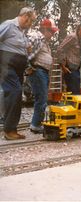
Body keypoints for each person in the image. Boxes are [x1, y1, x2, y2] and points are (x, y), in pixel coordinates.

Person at [0, 7, 36, 140]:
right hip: (6, 64)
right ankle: (9, 130)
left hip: (18, 67)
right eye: (31, 20)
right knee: (14, 92)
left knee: (16, 94)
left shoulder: (22, 32)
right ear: (26, 16)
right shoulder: (9, 25)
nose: (31, 24)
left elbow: (25, 49)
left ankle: (11, 128)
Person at [26, 18, 59, 133]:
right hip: (38, 70)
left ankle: (36, 123)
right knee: (42, 98)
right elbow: (24, 50)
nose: (53, 34)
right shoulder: (36, 36)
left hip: (42, 71)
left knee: (42, 98)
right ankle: (35, 124)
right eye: (52, 32)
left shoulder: (44, 41)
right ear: (45, 29)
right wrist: (28, 67)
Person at [57, 19, 81, 94]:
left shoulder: (79, 40)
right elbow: (60, 48)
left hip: (76, 70)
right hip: (70, 70)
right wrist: (63, 66)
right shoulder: (72, 37)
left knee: (76, 93)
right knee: (73, 94)